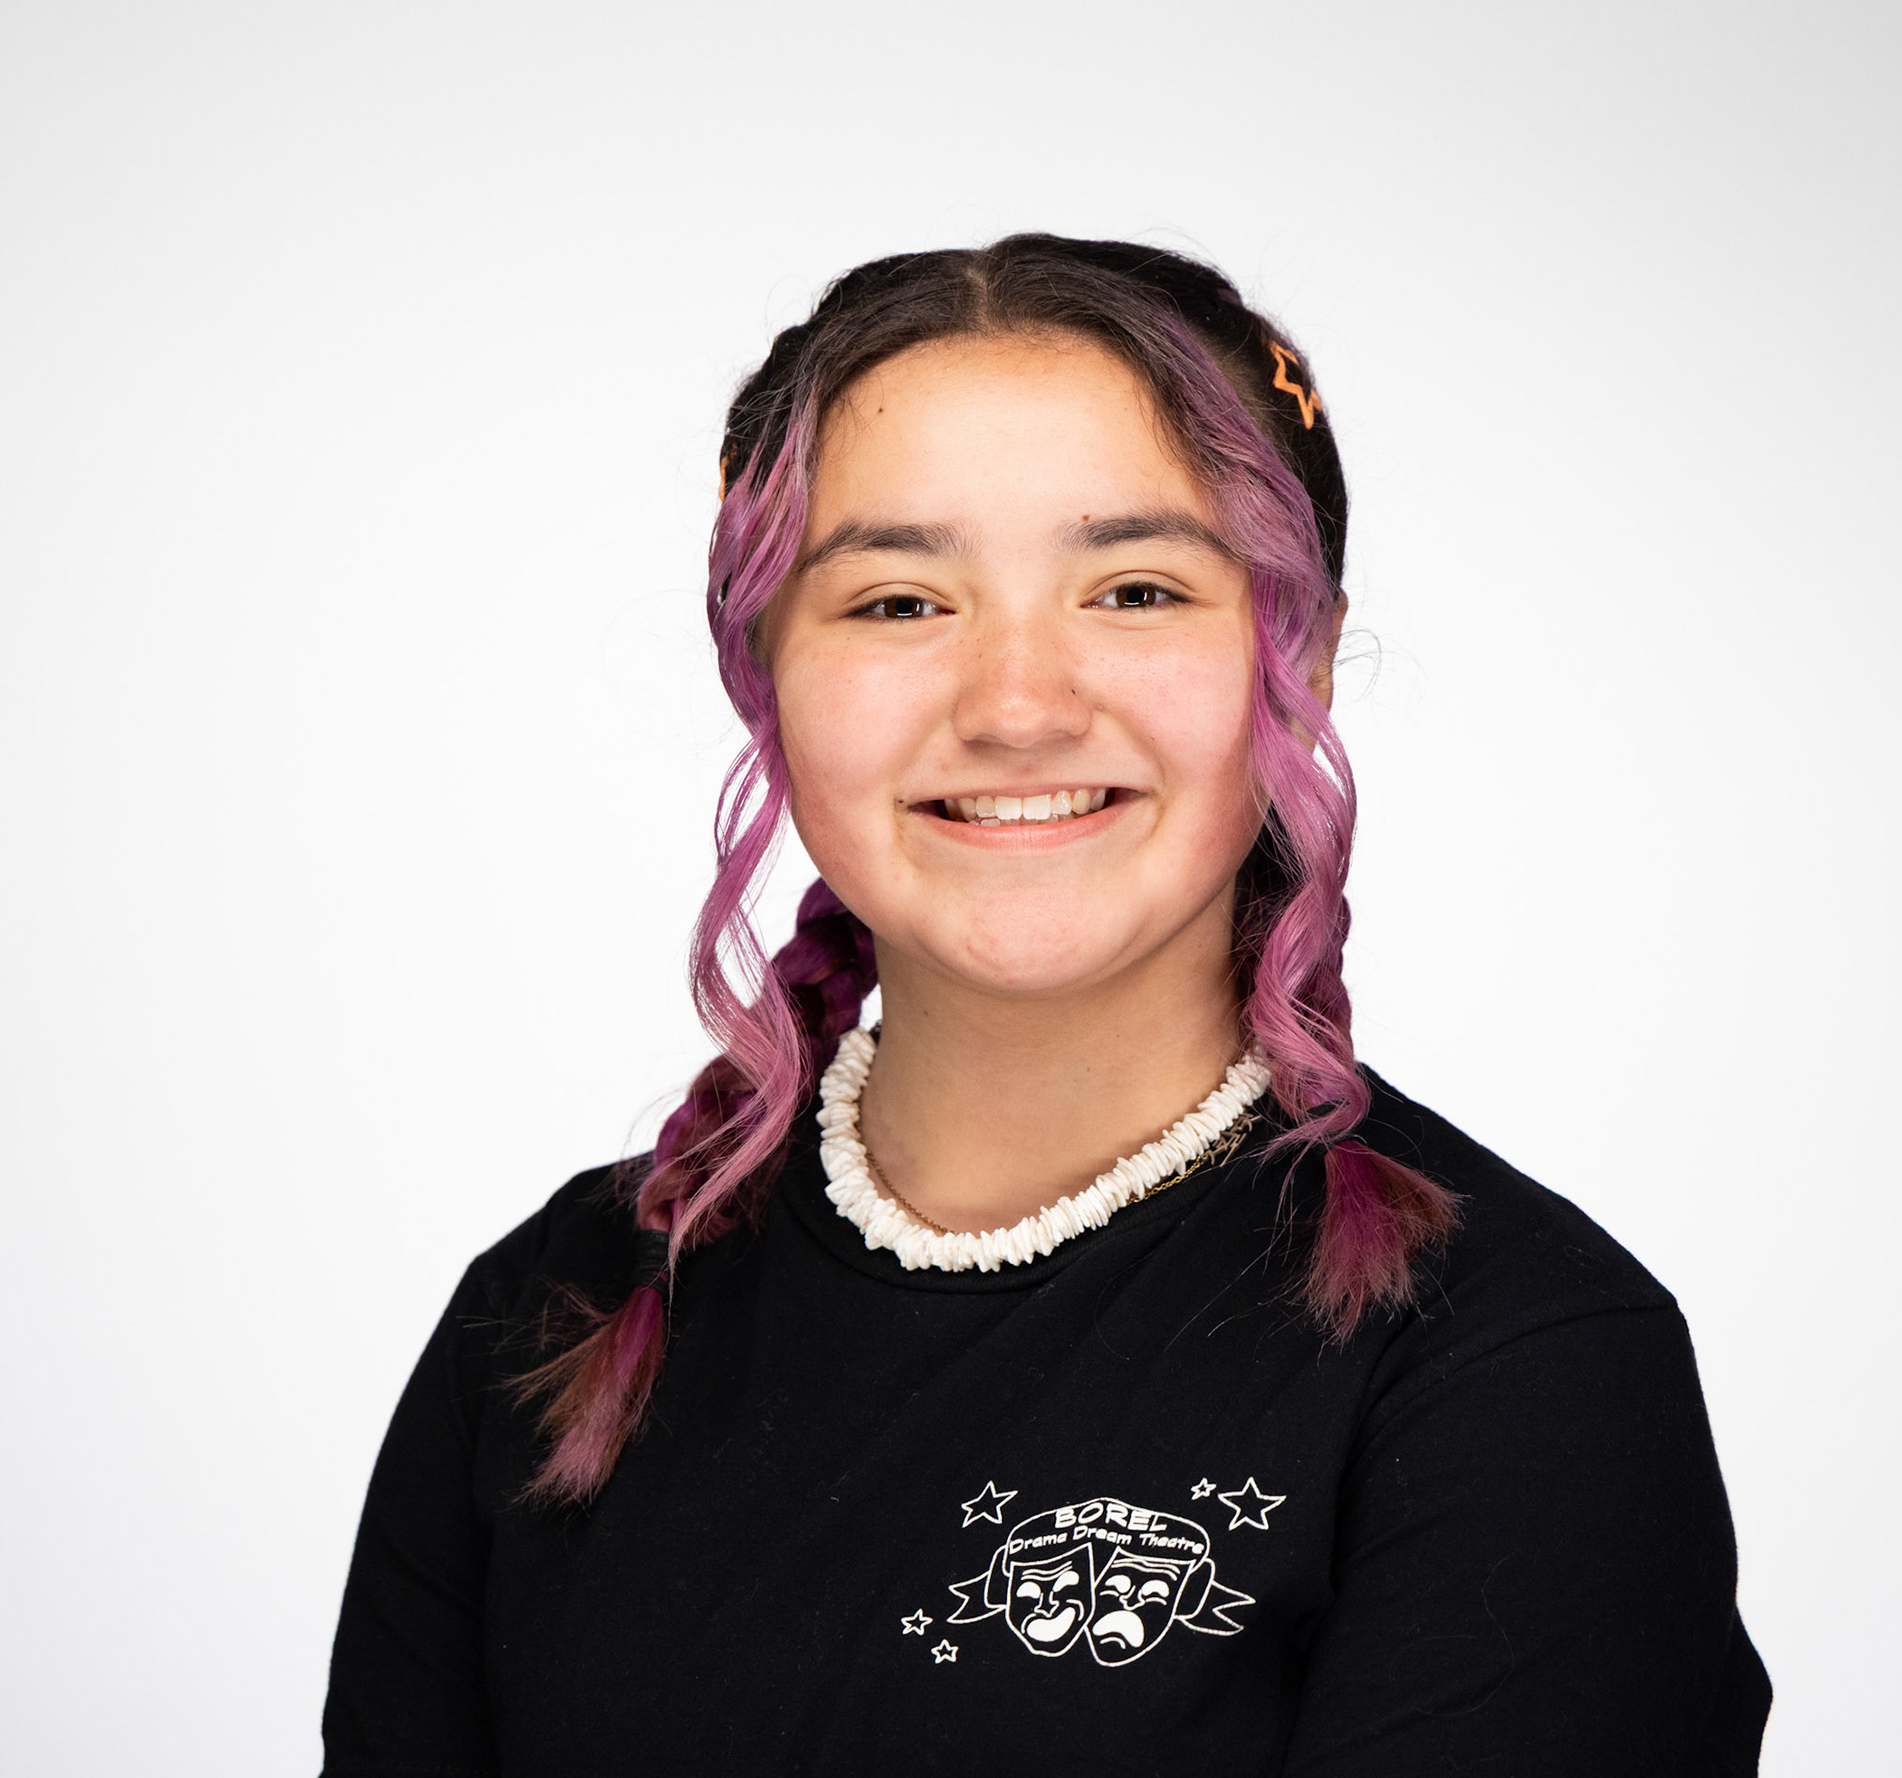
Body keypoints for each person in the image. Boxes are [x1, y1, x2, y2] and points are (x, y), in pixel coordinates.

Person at [321, 235, 1770, 1775]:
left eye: (1136, 590)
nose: (1017, 706)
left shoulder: (1519, 1364)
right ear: (763, 669)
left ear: (1304, 660)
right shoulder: (553, 1318)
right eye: (899, 602)